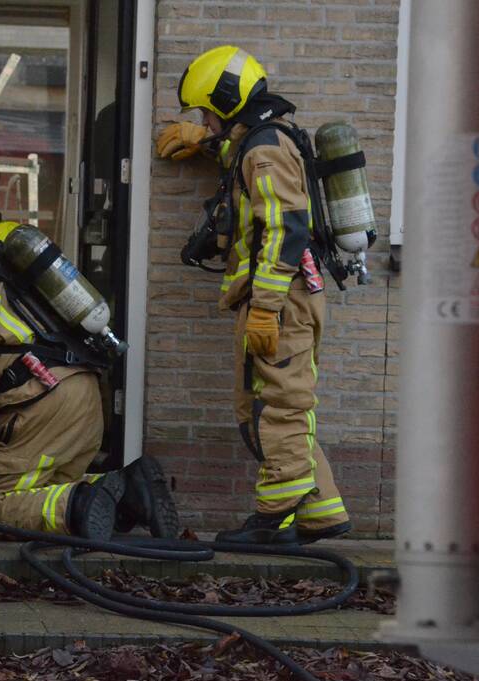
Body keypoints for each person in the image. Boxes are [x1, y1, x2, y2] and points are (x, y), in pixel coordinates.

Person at [156, 45, 350, 545]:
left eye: (207, 113)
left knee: (273, 407)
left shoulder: (264, 148)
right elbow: (238, 163)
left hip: (280, 301)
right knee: (282, 404)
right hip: (283, 299)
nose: (205, 121)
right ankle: (320, 510)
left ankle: (274, 520)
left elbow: (284, 229)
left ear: (227, 101)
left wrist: (264, 308)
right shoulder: (259, 140)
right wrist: (204, 142)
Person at [0, 220, 179, 541]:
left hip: (41, 405)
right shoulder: (2, 271)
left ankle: (79, 506)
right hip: (80, 395)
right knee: (42, 492)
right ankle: (128, 493)